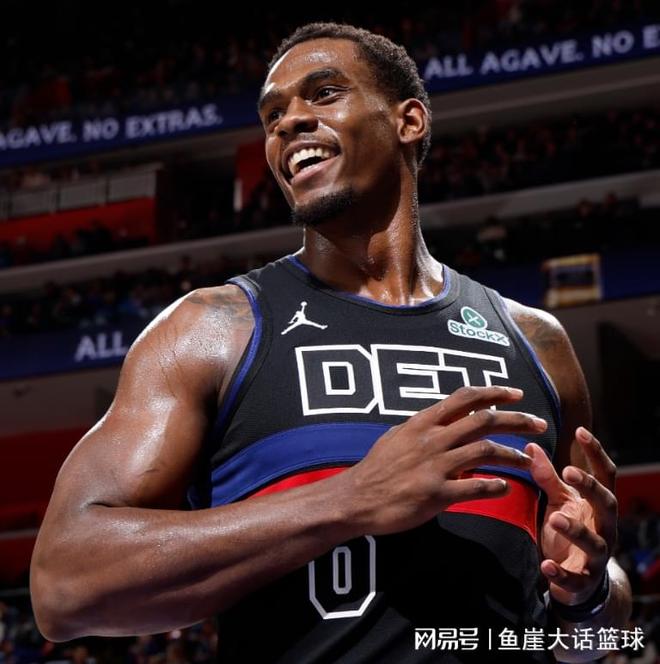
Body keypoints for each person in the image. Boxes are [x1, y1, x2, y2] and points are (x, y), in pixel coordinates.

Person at [31, 22, 631, 663]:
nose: (288, 122)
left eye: (323, 93)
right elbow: (63, 586)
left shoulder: (536, 342)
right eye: (272, 115)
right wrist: (350, 500)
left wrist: (588, 593)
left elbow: (588, 643)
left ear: (408, 121)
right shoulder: (211, 329)